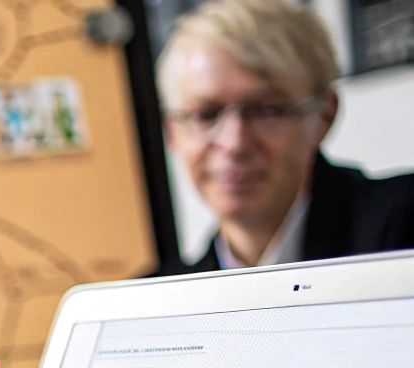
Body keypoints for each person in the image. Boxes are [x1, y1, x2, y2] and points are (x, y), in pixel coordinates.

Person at [155, 0, 414, 273]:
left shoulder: (404, 225)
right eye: (205, 115)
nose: (234, 143)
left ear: (323, 117)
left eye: (267, 110)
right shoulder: (154, 304)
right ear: (172, 131)